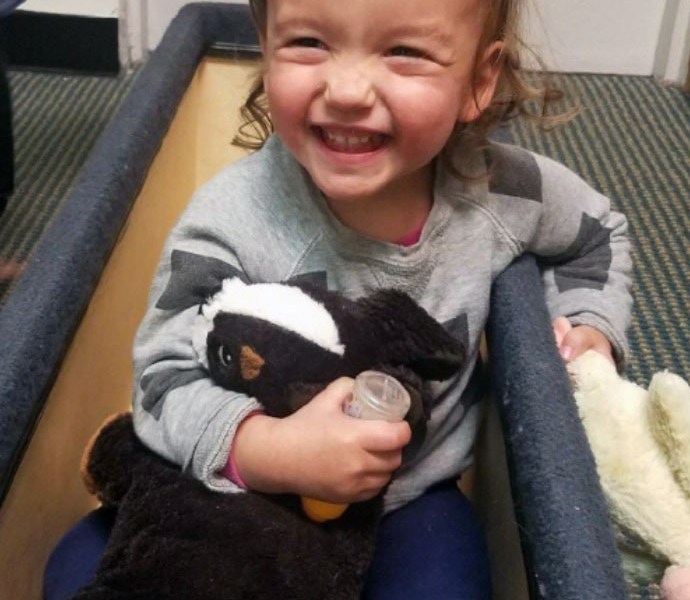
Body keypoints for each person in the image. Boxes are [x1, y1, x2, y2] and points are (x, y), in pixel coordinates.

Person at [44, 0, 632, 598]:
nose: (347, 90)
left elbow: (597, 233)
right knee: (75, 569)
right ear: (265, 43)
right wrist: (267, 450)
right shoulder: (230, 219)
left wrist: (589, 325)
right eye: (308, 42)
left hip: (409, 499)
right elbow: (161, 377)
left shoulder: (502, 190)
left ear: (479, 81)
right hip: (242, 492)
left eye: (405, 52)